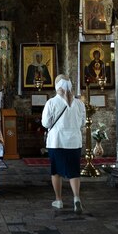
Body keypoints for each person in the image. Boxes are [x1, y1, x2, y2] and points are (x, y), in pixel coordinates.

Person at [41, 74, 86, 213]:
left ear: (57, 86)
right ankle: (76, 198)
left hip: (57, 142)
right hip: (74, 142)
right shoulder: (79, 103)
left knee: (56, 172)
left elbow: (45, 123)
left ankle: (58, 200)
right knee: (74, 172)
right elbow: (83, 123)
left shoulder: (51, 103)